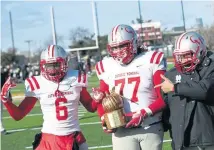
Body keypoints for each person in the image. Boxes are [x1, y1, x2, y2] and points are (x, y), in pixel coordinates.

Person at [0, 45, 103, 150]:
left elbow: (91, 107)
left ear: (65, 62)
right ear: (43, 65)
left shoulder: (76, 78)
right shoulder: (37, 83)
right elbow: (18, 115)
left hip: (74, 137)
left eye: (56, 65)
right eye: (49, 65)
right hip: (49, 140)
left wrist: (97, 99)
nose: (53, 69)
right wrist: (6, 101)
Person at [94, 24, 166, 150]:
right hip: (122, 129)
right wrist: (104, 118)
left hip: (150, 126)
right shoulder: (106, 66)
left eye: (122, 45)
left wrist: (144, 113)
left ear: (134, 42)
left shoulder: (151, 59)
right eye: (115, 47)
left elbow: (164, 97)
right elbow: (103, 101)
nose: (118, 51)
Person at [155, 31, 214, 150]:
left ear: (200, 51)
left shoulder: (211, 68)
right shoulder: (171, 75)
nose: (182, 60)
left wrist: (174, 88)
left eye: (187, 55)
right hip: (180, 142)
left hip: (207, 141)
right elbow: (166, 108)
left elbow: (204, 90)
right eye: (179, 56)